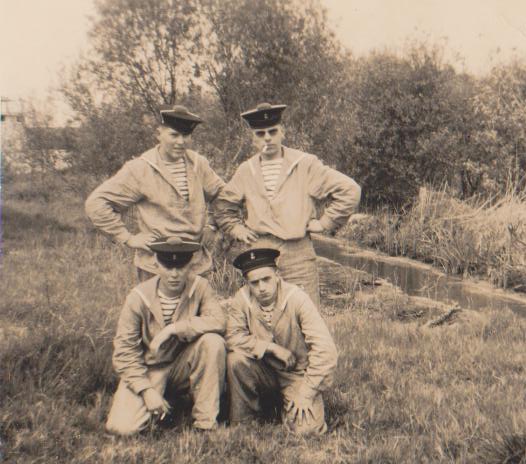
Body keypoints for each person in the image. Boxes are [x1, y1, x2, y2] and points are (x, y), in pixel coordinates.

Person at [214, 102, 361, 307]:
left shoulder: (305, 164)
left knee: (305, 312)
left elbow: (349, 190)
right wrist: (236, 228)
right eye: (260, 134)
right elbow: (223, 205)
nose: (267, 138)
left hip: (297, 254)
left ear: (282, 132)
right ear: (253, 139)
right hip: (260, 251)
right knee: (263, 313)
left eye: (272, 131)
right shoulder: (246, 170)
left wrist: (325, 222)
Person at [85, 105, 225, 281]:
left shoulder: (198, 164)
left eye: (186, 135)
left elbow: (224, 195)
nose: (181, 142)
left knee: (201, 300)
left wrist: (212, 225)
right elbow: (96, 203)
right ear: (159, 134)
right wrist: (127, 238)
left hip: (196, 265)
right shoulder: (140, 168)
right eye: (174, 135)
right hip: (156, 266)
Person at [105, 237, 226, 435]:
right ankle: (166, 400)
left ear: (190, 264)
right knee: (121, 428)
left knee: (213, 342)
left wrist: (174, 328)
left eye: (181, 266)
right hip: (149, 369)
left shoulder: (200, 287)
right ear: (156, 263)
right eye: (168, 266)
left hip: (183, 366)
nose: (174, 274)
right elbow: (125, 353)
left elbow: (219, 321)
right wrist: (146, 390)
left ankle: (205, 423)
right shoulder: (138, 297)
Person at [225, 248, 338, 435]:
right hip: (262, 370)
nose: (261, 287)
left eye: (266, 279)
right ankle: (246, 418)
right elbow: (232, 337)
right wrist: (270, 348)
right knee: (235, 360)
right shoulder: (242, 298)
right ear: (246, 282)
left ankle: (287, 405)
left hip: (296, 375)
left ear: (277, 275)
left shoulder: (297, 298)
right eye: (254, 283)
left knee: (306, 430)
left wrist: (306, 393)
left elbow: (325, 350)